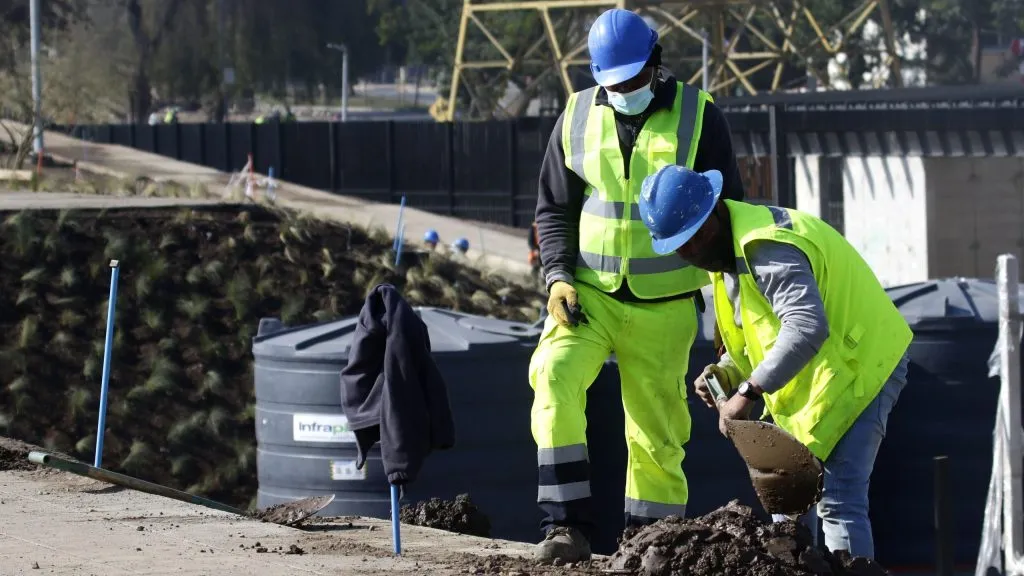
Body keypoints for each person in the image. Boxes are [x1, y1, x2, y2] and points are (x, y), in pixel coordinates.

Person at [529, 7, 746, 563]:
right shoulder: (576, 115)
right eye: (613, 84)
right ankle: (565, 528)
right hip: (589, 296)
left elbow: (729, 216)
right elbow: (554, 209)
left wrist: (732, 314)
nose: (622, 92)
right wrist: (556, 277)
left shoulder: (700, 116)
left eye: (631, 81)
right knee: (553, 376)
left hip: (666, 303)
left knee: (657, 434)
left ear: (656, 63)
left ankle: (648, 548)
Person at [636, 164, 913, 560]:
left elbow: (805, 327)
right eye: (683, 246)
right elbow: (757, 333)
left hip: (862, 362)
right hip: (820, 372)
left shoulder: (765, 247)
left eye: (697, 238)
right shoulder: (726, 256)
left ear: (715, 211)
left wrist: (747, 391)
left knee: (838, 497)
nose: (693, 251)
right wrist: (728, 371)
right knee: (787, 506)